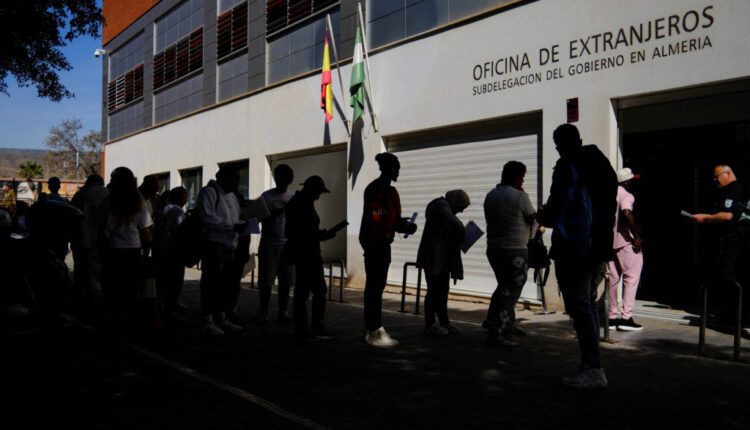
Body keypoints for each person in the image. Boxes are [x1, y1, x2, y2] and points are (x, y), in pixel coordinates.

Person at [538, 124, 617, 389]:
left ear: (559, 145)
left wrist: (543, 214)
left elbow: (552, 210)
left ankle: (592, 366)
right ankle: (593, 364)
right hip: (599, 246)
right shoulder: (603, 166)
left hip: (574, 247)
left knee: (579, 306)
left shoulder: (567, 167)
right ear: (580, 139)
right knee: (588, 304)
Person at [359, 152, 417, 347]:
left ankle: (373, 328)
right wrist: (399, 226)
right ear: (390, 169)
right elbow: (377, 219)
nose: (398, 171)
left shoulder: (389, 191)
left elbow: (390, 219)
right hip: (376, 243)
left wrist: (403, 224)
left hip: (382, 243)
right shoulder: (377, 190)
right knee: (374, 287)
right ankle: (374, 329)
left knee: (377, 286)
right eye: (397, 167)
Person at [482, 161, 536, 347]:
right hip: (516, 251)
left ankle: (505, 326)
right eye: (522, 177)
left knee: (503, 288)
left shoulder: (491, 195)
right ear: (515, 176)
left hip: (494, 249)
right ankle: (497, 332)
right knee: (510, 293)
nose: (523, 181)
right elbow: (532, 219)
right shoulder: (520, 196)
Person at [284, 175, 339, 341]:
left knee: (304, 291)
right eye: (318, 192)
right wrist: (323, 235)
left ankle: (304, 328)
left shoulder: (300, 202)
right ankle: (313, 326)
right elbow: (303, 233)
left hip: (306, 252)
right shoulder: (300, 205)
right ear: (311, 190)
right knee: (315, 291)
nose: (318, 196)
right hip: (307, 254)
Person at [693, 164, 748, 326]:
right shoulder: (732, 190)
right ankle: (730, 314)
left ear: (727, 174)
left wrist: (705, 218)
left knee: (728, 276)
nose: (715, 180)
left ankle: (732, 314)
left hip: (733, 241)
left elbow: (727, 215)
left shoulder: (733, 190)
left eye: (717, 176)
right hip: (731, 240)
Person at [98, 167, 153, 327]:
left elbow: (99, 227)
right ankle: (128, 316)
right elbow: (145, 229)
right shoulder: (138, 202)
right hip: (133, 251)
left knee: (111, 286)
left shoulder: (107, 202)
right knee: (130, 286)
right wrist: (146, 249)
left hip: (111, 251)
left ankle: (114, 315)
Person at [197, 165, 245, 336]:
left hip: (229, 245)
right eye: (236, 179)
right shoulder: (209, 192)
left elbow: (237, 216)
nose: (238, 183)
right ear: (224, 178)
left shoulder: (231, 196)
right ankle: (207, 319)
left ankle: (221, 316)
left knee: (225, 284)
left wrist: (242, 224)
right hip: (214, 245)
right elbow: (207, 218)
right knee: (211, 283)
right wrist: (232, 226)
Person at [417, 189, 469, 336]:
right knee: (434, 291)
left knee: (443, 291)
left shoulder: (444, 207)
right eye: (461, 207)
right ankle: (430, 324)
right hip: (433, 257)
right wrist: (463, 231)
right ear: (456, 202)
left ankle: (444, 322)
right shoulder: (441, 206)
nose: (461, 211)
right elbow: (453, 222)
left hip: (442, 257)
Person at [255, 164, 295, 323]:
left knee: (285, 281)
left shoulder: (293, 198)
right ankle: (263, 311)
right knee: (265, 281)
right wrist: (273, 213)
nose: (282, 181)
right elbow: (256, 217)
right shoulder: (266, 196)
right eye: (280, 178)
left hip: (287, 244)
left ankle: (282, 311)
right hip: (268, 243)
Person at [606, 168, 644, 331]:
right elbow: (627, 213)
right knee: (631, 277)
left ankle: (612, 317)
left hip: (609, 243)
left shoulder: (608, 194)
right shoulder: (626, 195)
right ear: (627, 182)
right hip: (624, 243)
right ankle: (626, 318)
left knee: (613, 280)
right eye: (633, 180)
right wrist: (635, 236)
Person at [71, 174, 109, 306]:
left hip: (81, 240)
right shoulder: (107, 195)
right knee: (97, 275)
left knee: (81, 272)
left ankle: (81, 300)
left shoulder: (80, 195)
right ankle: (97, 302)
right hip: (101, 240)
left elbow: (72, 217)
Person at [156, 186, 188, 321]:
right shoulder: (177, 210)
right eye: (185, 197)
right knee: (174, 281)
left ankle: (162, 305)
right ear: (180, 198)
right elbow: (181, 230)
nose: (186, 200)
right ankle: (170, 309)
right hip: (175, 250)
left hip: (163, 249)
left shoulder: (165, 209)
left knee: (164, 279)